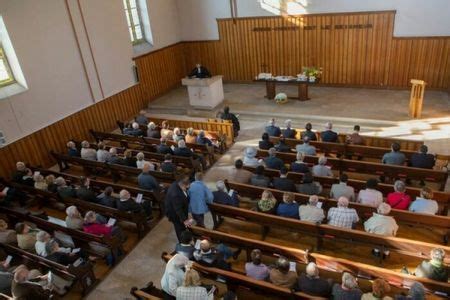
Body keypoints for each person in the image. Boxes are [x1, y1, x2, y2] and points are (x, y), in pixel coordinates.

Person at [165, 176, 193, 242]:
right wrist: (185, 221)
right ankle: (182, 242)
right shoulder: (176, 194)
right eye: (186, 187)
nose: (187, 189)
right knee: (179, 228)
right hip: (175, 214)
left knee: (183, 226)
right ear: (182, 185)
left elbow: (184, 195)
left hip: (179, 208)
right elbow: (178, 210)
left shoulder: (178, 183)